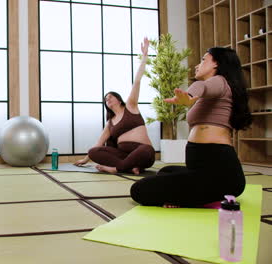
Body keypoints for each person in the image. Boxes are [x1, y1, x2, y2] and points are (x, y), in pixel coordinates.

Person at [130, 47, 252, 208]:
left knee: (138, 190)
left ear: (216, 64)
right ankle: (203, 197)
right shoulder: (213, 91)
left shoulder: (220, 81)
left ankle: (204, 199)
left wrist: (188, 96)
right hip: (203, 168)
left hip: (219, 170)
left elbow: (202, 86)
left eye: (203, 60)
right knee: (166, 171)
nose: (197, 65)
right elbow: (203, 88)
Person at [74, 37, 155, 175]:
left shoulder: (131, 106)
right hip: (122, 154)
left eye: (110, 96)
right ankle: (130, 167)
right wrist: (86, 159)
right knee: (94, 152)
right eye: (106, 99)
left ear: (118, 99)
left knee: (146, 150)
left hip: (142, 151)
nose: (108, 99)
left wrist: (144, 57)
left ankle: (117, 169)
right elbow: (99, 143)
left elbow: (137, 81)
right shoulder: (110, 123)